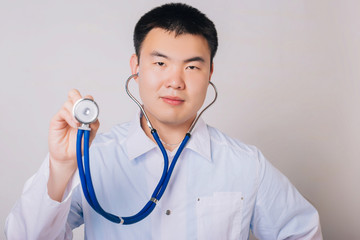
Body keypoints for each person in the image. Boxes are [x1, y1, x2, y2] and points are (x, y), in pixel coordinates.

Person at [5, 3, 322, 240]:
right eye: (160, 62)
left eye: (192, 67)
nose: (175, 81)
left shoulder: (246, 164)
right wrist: (61, 167)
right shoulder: (93, 160)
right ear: (136, 67)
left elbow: (303, 232)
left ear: (210, 72)